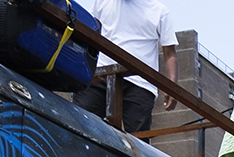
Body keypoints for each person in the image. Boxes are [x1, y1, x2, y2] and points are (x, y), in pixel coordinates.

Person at [73, 0, 178, 136]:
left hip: (139, 83)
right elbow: (92, 31)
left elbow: (169, 52)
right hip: (100, 73)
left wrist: (172, 87)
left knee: (138, 141)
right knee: (81, 126)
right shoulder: (102, 2)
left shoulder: (159, 11)